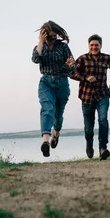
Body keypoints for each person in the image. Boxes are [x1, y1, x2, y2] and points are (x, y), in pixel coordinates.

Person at [70, 34, 110, 160]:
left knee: (103, 119)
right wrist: (85, 77)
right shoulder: (82, 59)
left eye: (96, 45)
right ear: (88, 46)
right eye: (92, 45)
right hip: (86, 96)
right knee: (88, 127)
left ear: (101, 46)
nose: (94, 47)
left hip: (103, 94)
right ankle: (89, 144)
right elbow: (72, 73)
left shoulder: (107, 58)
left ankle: (103, 148)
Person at [31, 21, 75, 157]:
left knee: (58, 115)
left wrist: (69, 65)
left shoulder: (63, 47)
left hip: (61, 83)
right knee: (47, 109)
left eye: (54, 37)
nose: (52, 40)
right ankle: (45, 142)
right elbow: (35, 59)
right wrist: (40, 41)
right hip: (46, 83)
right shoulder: (40, 47)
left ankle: (56, 133)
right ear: (44, 35)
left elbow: (73, 67)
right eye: (49, 37)